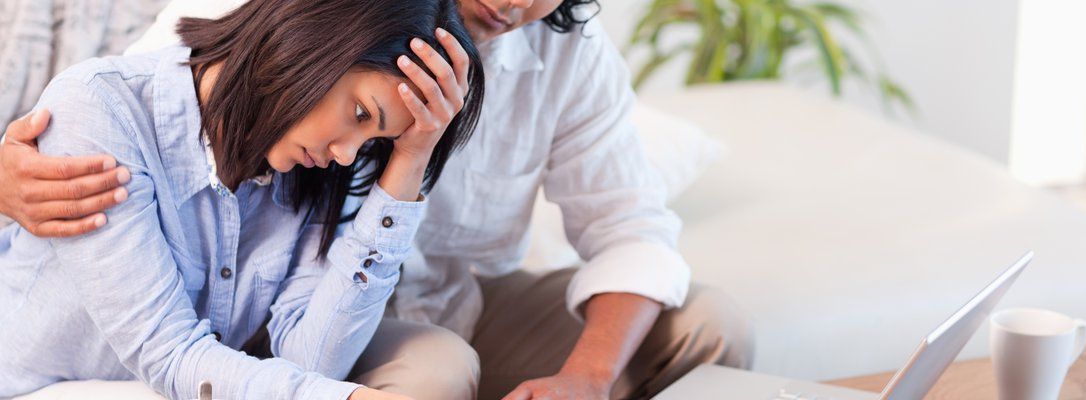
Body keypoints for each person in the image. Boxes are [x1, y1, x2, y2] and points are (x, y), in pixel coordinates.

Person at [0, 1, 757, 399]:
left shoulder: (565, 60)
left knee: (708, 326)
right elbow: (165, 120)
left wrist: (588, 377)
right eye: (360, 121)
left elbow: (632, 224)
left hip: (416, 306)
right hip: (245, 343)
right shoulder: (297, 48)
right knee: (436, 371)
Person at [0, 0, 483, 398]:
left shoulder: (319, 166)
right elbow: (168, 356)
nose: (346, 154)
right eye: (360, 113)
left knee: (439, 364)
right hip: (48, 385)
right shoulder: (103, 109)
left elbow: (314, 362)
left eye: (374, 140)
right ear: (311, 42)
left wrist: (412, 158)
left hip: (192, 376)